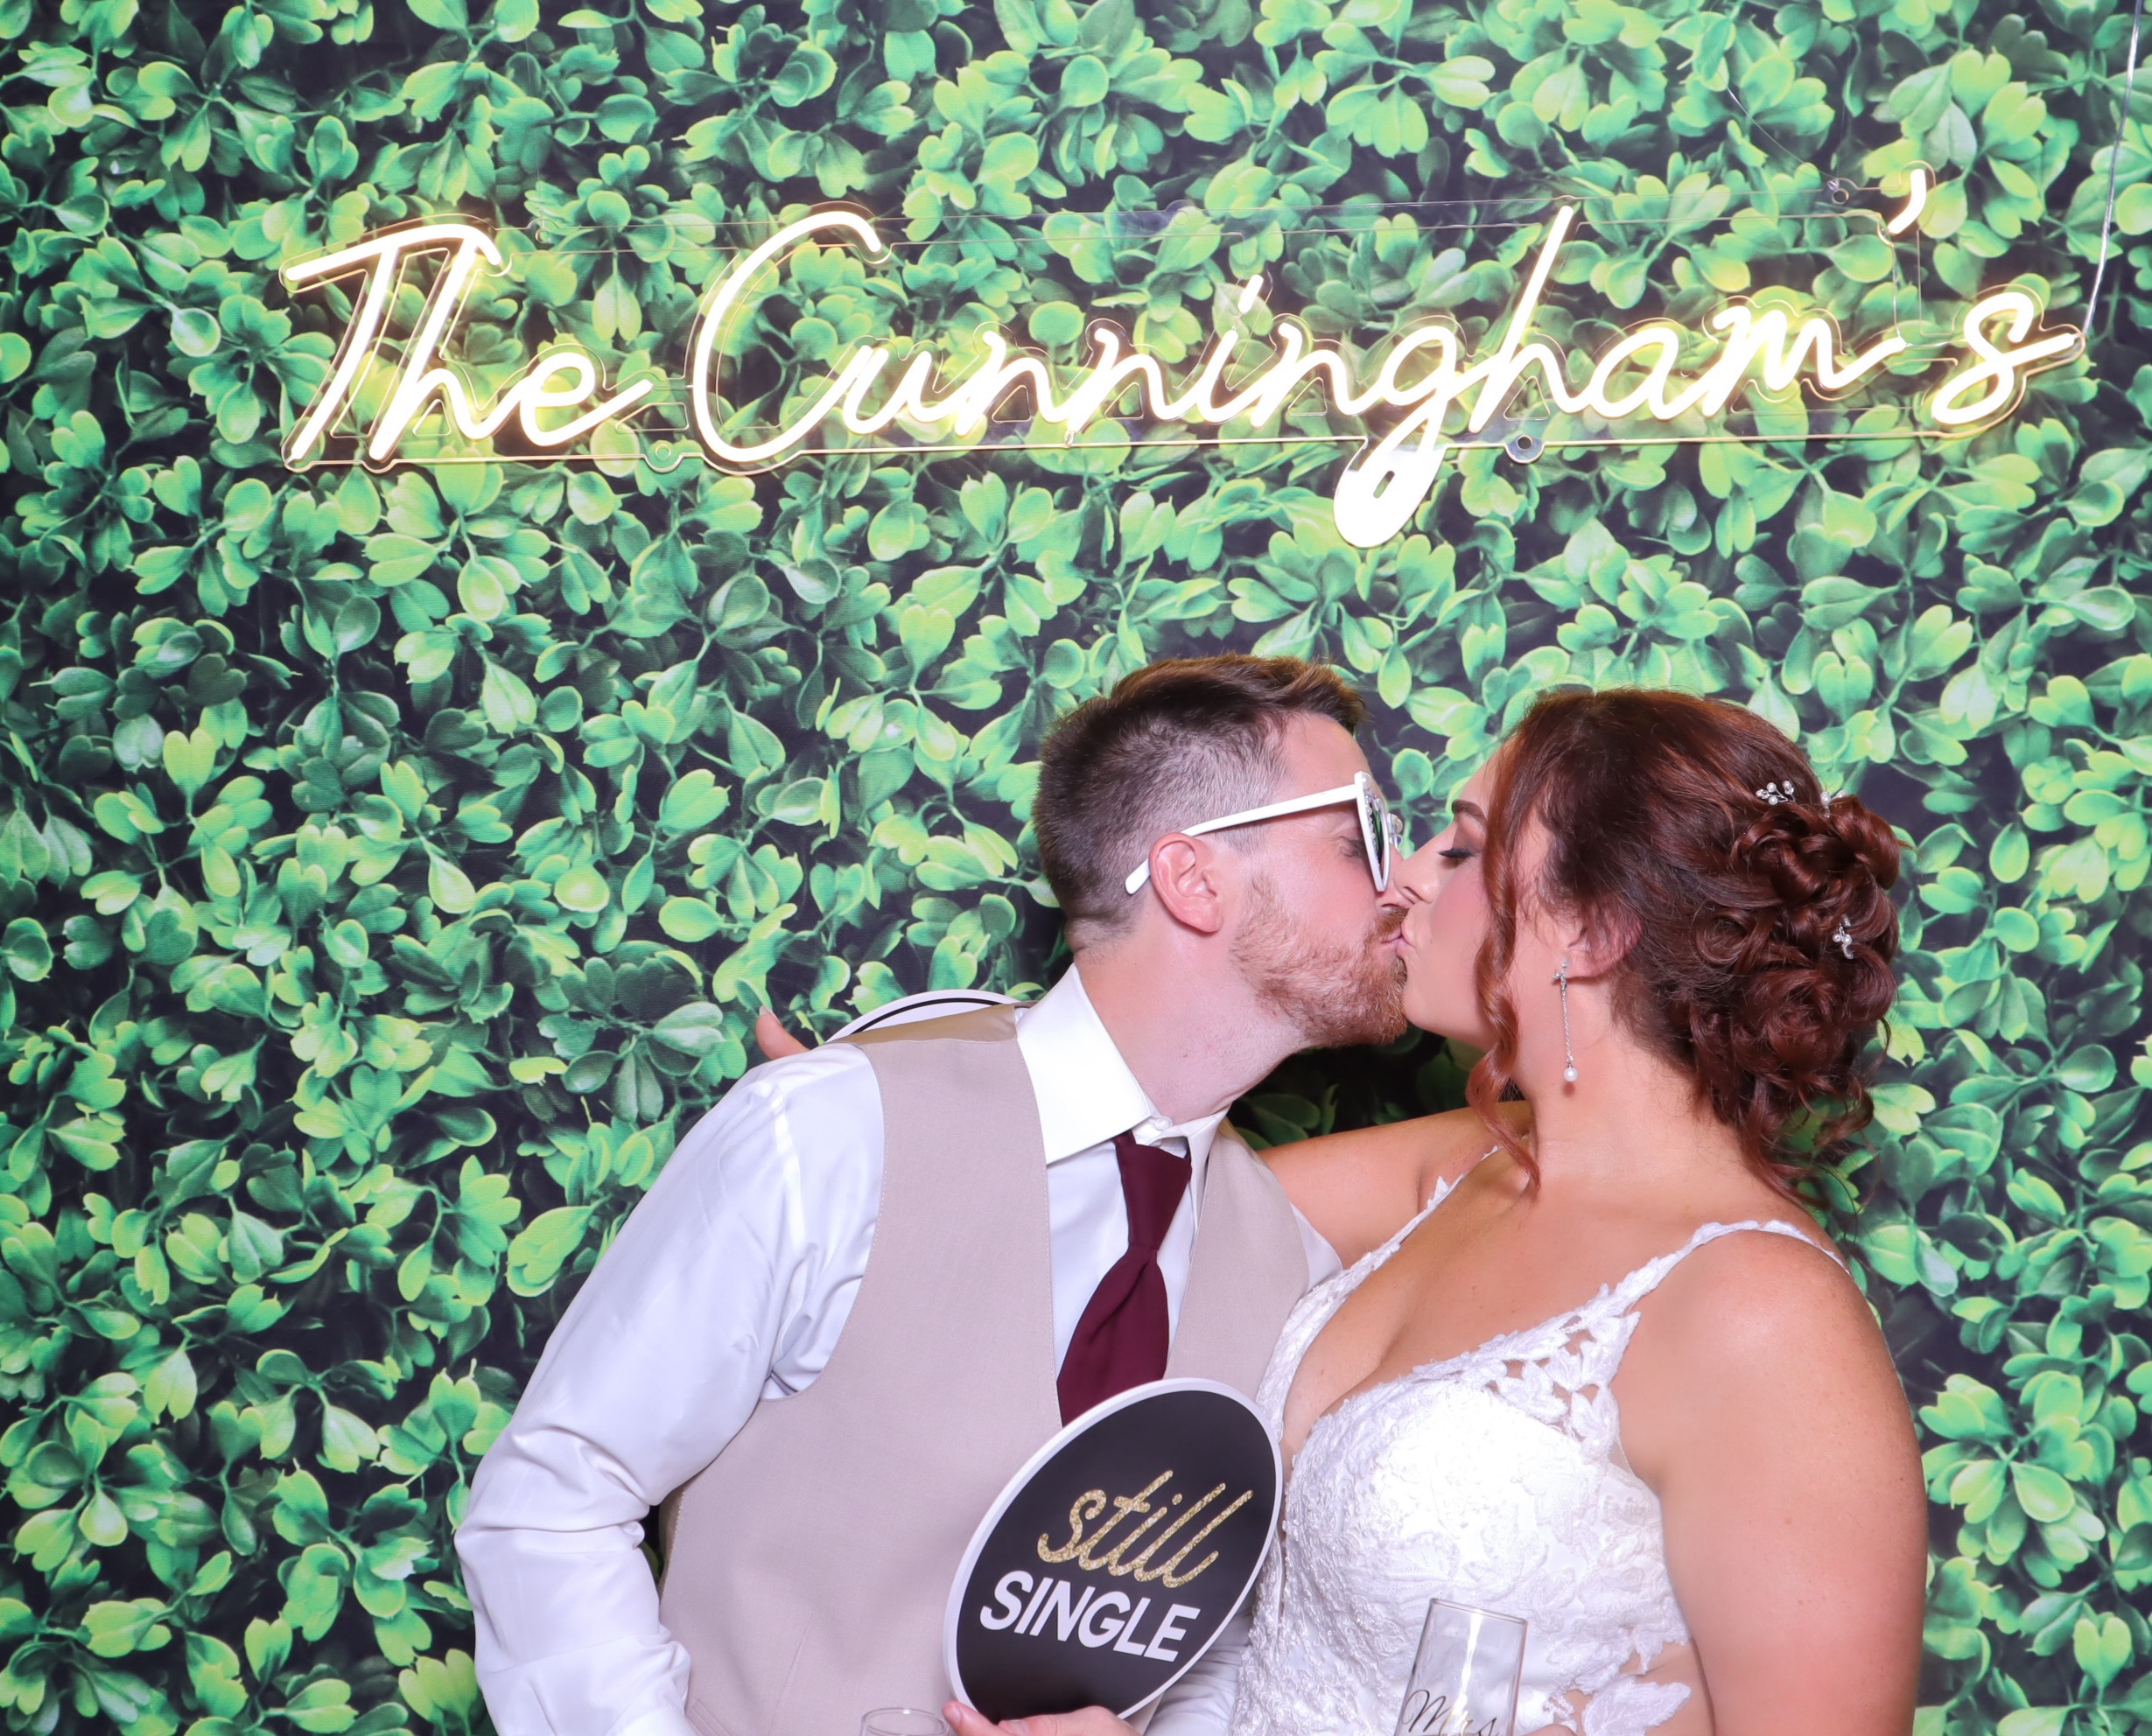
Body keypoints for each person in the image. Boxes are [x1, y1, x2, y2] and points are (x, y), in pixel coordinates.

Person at [454, 654, 1415, 1736]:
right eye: (1358, 837)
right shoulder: (833, 1131)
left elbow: (1214, 1644)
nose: (1403, 881)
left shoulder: (1291, 1263)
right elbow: (553, 1494)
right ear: (1193, 880)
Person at [946, 688, 1928, 1736]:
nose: (1403, 875)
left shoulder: (1761, 1315)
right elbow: (1125, 1175)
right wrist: (903, 1104)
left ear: (1592, 931)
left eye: (1458, 851)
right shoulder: (1464, 1169)